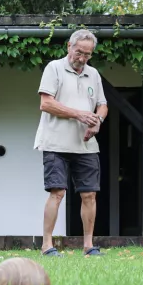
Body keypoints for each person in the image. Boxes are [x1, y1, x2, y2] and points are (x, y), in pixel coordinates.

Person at [34, 29, 108, 257]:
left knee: (89, 195)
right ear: (69, 47)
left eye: (87, 54)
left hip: (86, 145)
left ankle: (88, 246)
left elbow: (102, 105)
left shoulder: (93, 74)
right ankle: (47, 245)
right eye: (79, 52)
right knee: (57, 193)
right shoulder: (54, 68)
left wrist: (98, 122)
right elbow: (46, 103)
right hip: (55, 143)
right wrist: (79, 114)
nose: (82, 58)